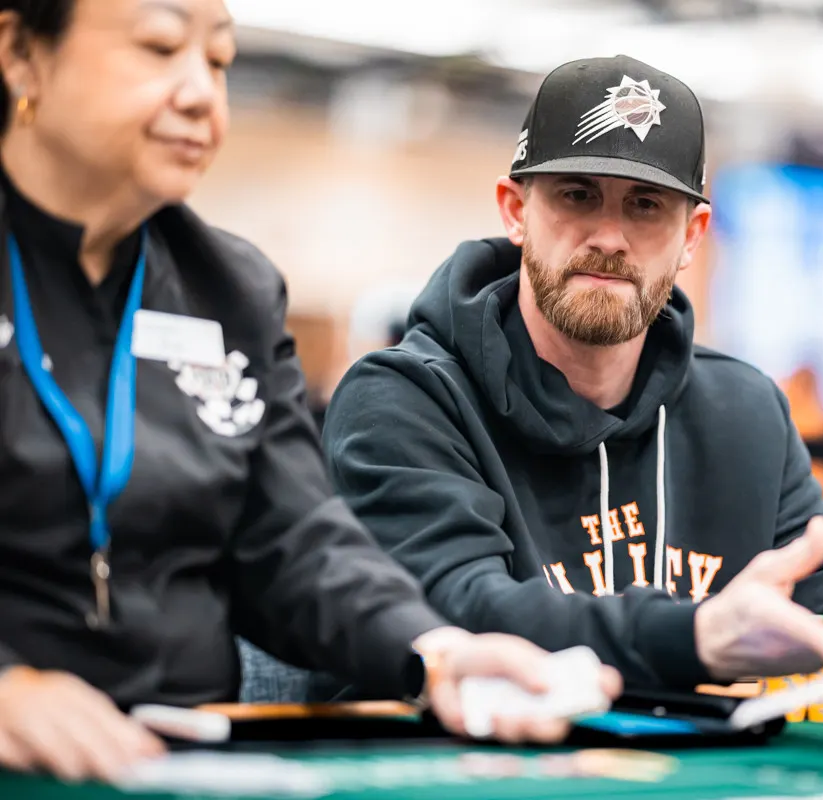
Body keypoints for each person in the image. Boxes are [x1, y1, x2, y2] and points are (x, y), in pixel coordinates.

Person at [322, 54, 823, 732]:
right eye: (578, 194)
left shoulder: (745, 409)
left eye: (646, 205)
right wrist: (696, 637)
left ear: (693, 235)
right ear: (516, 210)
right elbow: (455, 607)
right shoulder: (403, 399)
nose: (610, 236)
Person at [0, 0, 622, 784]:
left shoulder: (229, 288)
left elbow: (294, 542)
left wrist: (433, 653)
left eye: (219, 61)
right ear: (20, 52)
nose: (199, 94)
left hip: (172, 759)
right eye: (159, 48)